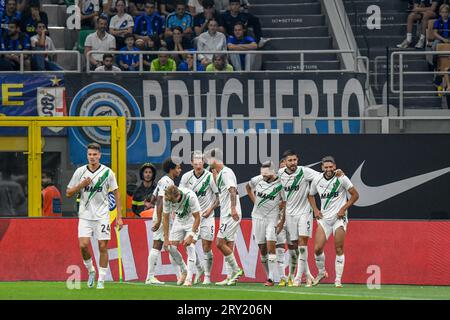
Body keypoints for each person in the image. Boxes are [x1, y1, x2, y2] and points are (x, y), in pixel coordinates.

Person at [278, 149, 343, 287]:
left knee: (302, 246)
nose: (293, 163)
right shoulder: (280, 174)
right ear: (284, 162)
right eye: (290, 160)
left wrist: (338, 174)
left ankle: (297, 278)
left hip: (304, 213)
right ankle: (308, 275)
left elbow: (324, 175)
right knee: (295, 247)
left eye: (295, 160)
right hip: (290, 214)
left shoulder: (304, 171)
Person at [66, 142, 123, 290]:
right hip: (85, 215)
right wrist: (81, 185)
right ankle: (91, 270)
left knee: (102, 246)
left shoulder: (108, 172)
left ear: (100, 155)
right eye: (90, 154)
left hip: (102, 215)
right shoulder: (80, 172)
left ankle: (101, 280)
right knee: (83, 245)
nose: (92, 157)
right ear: (87, 155)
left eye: (95, 155)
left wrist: (119, 216)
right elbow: (68, 193)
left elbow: (116, 193)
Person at [308, 156, 359, 288]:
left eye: (331, 167)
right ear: (322, 168)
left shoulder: (341, 177)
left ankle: (338, 280)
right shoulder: (317, 179)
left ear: (334, 166)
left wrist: (343, 208)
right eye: (326, 167)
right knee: (317, 249)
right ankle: (321, 272)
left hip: (339, 218)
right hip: (324, 219)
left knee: (339, 248)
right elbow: (310, 194)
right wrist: (315, 209)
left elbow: (355, 195)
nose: (329, 169)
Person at [205, 148, 244, 286]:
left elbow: (232, 191)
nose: (206, 161)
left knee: (219, 243)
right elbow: (222, 195)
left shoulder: (227, 173)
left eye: (208, 159)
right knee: (229, 244)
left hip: (230, 214)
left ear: (214, 159)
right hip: (226, 213)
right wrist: (215, 177)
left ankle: (237, 269)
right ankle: (230, 276)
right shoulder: (221, 173)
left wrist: (233, 208)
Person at [179, 151, 219, 285]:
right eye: (195, 162)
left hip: (207, 216)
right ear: (191, 163)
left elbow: (219, 197)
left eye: (200, 162)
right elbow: (180, 197)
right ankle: (196, 271)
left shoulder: (209, 177)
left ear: (203, 162)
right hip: (192, 217)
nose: (198, 165)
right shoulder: (185, 177)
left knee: (207, 246)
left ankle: (207, 276)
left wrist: (210, 209)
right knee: (189, 244)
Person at [246, 161, 285, 286]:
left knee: (271, 246)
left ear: (273, 172)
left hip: (272, 219)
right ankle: (269, 275)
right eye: (262, 173)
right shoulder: (258, 179)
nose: (263, 175)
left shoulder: (281, 184)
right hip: (257, 218)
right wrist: (255, 201)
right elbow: (247, 187)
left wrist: (281, 220)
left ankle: (271, 278)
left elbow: (284, 202)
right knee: (262, 251)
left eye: (266, 173)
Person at [145, 157, 182, 285]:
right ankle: (150, 277)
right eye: (178, 167)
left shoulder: (163, 180)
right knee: (159, 244)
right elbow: (159, 200)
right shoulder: (167, 182)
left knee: (168, 245)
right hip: (162, 214)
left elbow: (153, 197)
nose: (180, 170)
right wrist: (159, 219)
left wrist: (152, 207)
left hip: (161, 213)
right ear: (172, 169)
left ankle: (179, 277)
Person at [162, 185, 201, 286]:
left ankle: (189, 279)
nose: (171, 203)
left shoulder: (190, 197)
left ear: (178, 195)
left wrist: (191, 235)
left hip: (192, 221)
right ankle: (184, 270)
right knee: (170, 247)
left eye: (172, 201)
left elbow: (197, 217)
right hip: (178, 221)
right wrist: (166, 238)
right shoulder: (167, 198)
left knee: (190, 247)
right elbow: (165, 218)